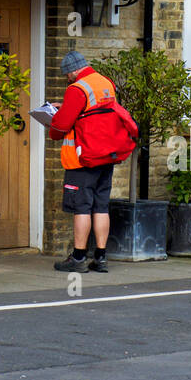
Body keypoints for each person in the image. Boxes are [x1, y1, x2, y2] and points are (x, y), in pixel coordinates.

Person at [49, 50, 128, 273]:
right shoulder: (106, 83)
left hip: (82, 159)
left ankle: (79, 258)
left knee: (81, 207)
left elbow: (61, 127)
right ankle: (100, 258)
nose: (67, 78)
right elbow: (93, 114)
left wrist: (54, 120)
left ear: (74, 71)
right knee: (101, 205)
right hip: (106, 154)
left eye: (67, 74)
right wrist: (63, 107)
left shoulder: (77, 89)